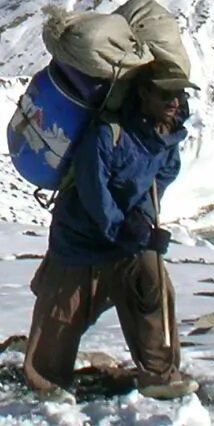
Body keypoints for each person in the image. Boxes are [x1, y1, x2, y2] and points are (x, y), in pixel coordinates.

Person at [24, 65, 194, 399]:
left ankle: (159, 374)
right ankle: (45, 383)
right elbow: (93, 191)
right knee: (61, 313)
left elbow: (159, 181)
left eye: (179, 94)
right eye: (165, 94)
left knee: (153, 288)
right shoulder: (107, 133)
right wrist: (123, 227)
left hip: (125, 237)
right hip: (79, 237)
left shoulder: (167, 139)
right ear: (143, 93)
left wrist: (141, 224)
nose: (174, 101)